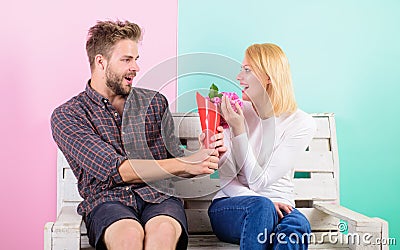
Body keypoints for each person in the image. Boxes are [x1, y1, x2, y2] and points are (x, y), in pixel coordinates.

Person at [51, 20, 226, 250]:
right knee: (128, 237)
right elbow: (116, 169)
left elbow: (177, 165)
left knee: (162, 234)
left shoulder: (154, 103)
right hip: (107, 201)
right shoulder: (68, 116)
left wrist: (201, 153)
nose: (136, 67)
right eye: (126, 60)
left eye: (136, 59)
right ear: (100, 62)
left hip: (160, 197)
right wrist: (185, 162)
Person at [208, 43, 316, 250]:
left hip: (282, 206)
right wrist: (234, 130)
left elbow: (260, 180)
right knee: (262, 207)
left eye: (247, 70)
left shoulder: (301, 123)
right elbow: (227, 180)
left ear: (268, 77)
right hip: (232, 205)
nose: (239, 77)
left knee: (297, 226)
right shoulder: (234, 111)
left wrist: (239, 130)